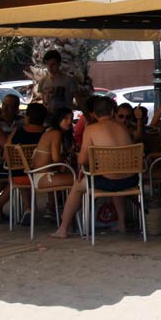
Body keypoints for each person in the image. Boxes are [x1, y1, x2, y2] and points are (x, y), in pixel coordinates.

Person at [50, 98, 134, 238]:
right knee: (116, 177)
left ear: (94, 114)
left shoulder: (91, 129)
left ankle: (63, 229)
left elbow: (82, 159)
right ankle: (122, 224)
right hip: (129, 180)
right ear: (113, 112)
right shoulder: (123, 127)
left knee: (77, 186)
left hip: (107, 181)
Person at [31, 108, 76, 190]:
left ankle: (56, 202)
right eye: (66, 118)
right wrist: (66, 155)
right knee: (82, 180)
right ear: (58, 119)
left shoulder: (51, 131)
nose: (70, 122)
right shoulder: (56, 133)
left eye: (71, 119)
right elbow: (56, 159)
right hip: (45, 177)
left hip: (42, 176)